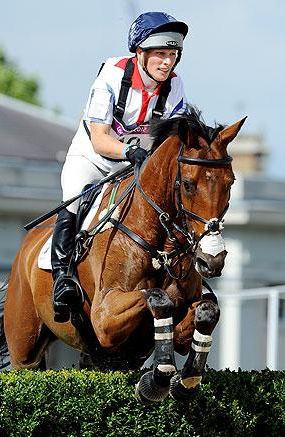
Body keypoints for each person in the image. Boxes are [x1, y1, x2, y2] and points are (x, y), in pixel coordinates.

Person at [51, 11, 189, 323]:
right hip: (93, 157)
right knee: (73, 198)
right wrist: (131, 151)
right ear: (140, 52)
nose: (167, 62)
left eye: (172, 55)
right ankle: (62, 280)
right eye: (160, 54)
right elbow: (100, 139)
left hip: (132, 163)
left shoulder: (176, 86)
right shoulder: (111, 77)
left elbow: (172, 140)